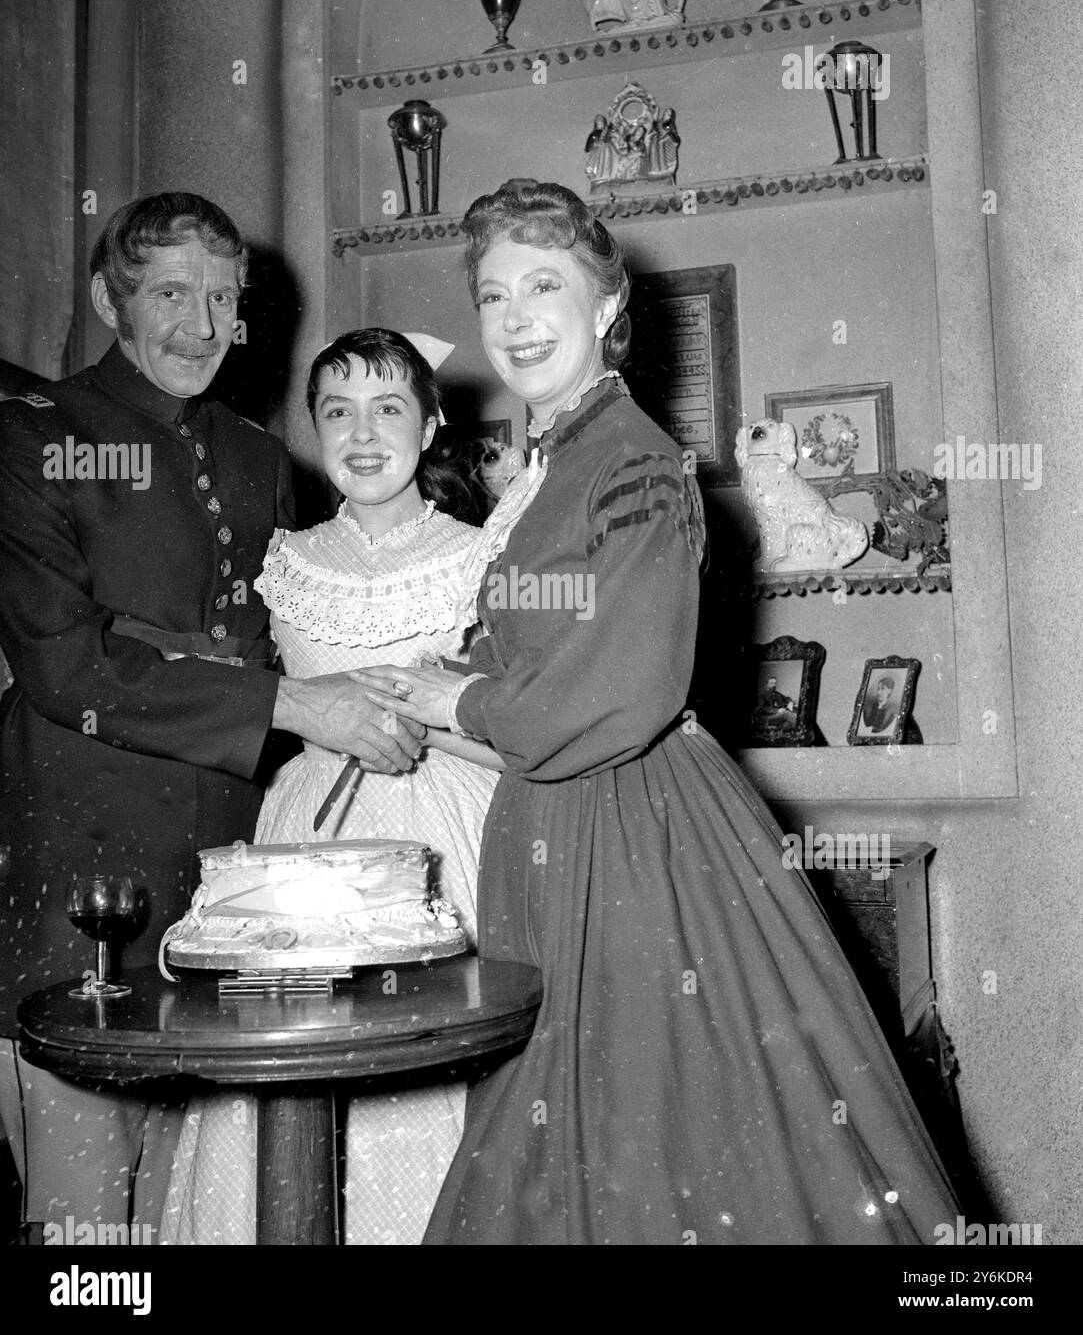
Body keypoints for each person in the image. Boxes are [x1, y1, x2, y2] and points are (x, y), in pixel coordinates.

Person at [354, 178, 959, 1245]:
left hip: (633, 837)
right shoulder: (553, 464)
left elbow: (627, 688)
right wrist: (448, 671)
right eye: (494, 296)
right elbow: (562, 644)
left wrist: (468, 695)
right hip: (557, 824)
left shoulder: (633, 459)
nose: (517, 318)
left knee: (651, 1138)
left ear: (603, 305)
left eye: (546, 286)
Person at [0, 197, 423, 1242]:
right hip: (79, 885)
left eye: (223, 297)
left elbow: (295, 634)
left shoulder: (255, 455)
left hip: (230, 893)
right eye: (171, 294)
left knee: (201, 1206)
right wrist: (286, 698)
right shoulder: (32, 436)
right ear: (109, 298)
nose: (201, 324)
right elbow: (67, 665)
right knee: (88, 1224)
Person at [160, 328, 507, 1245]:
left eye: (389, 407)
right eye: (337, 410)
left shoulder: (484, 556)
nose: (362, 432)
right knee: (291, 1073)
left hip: (447, 832)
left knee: (427, 1071)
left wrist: (422, 724)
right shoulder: (285, 560)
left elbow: (518, 726)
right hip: (306, 836)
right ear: (312, 427)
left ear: (431, 427)